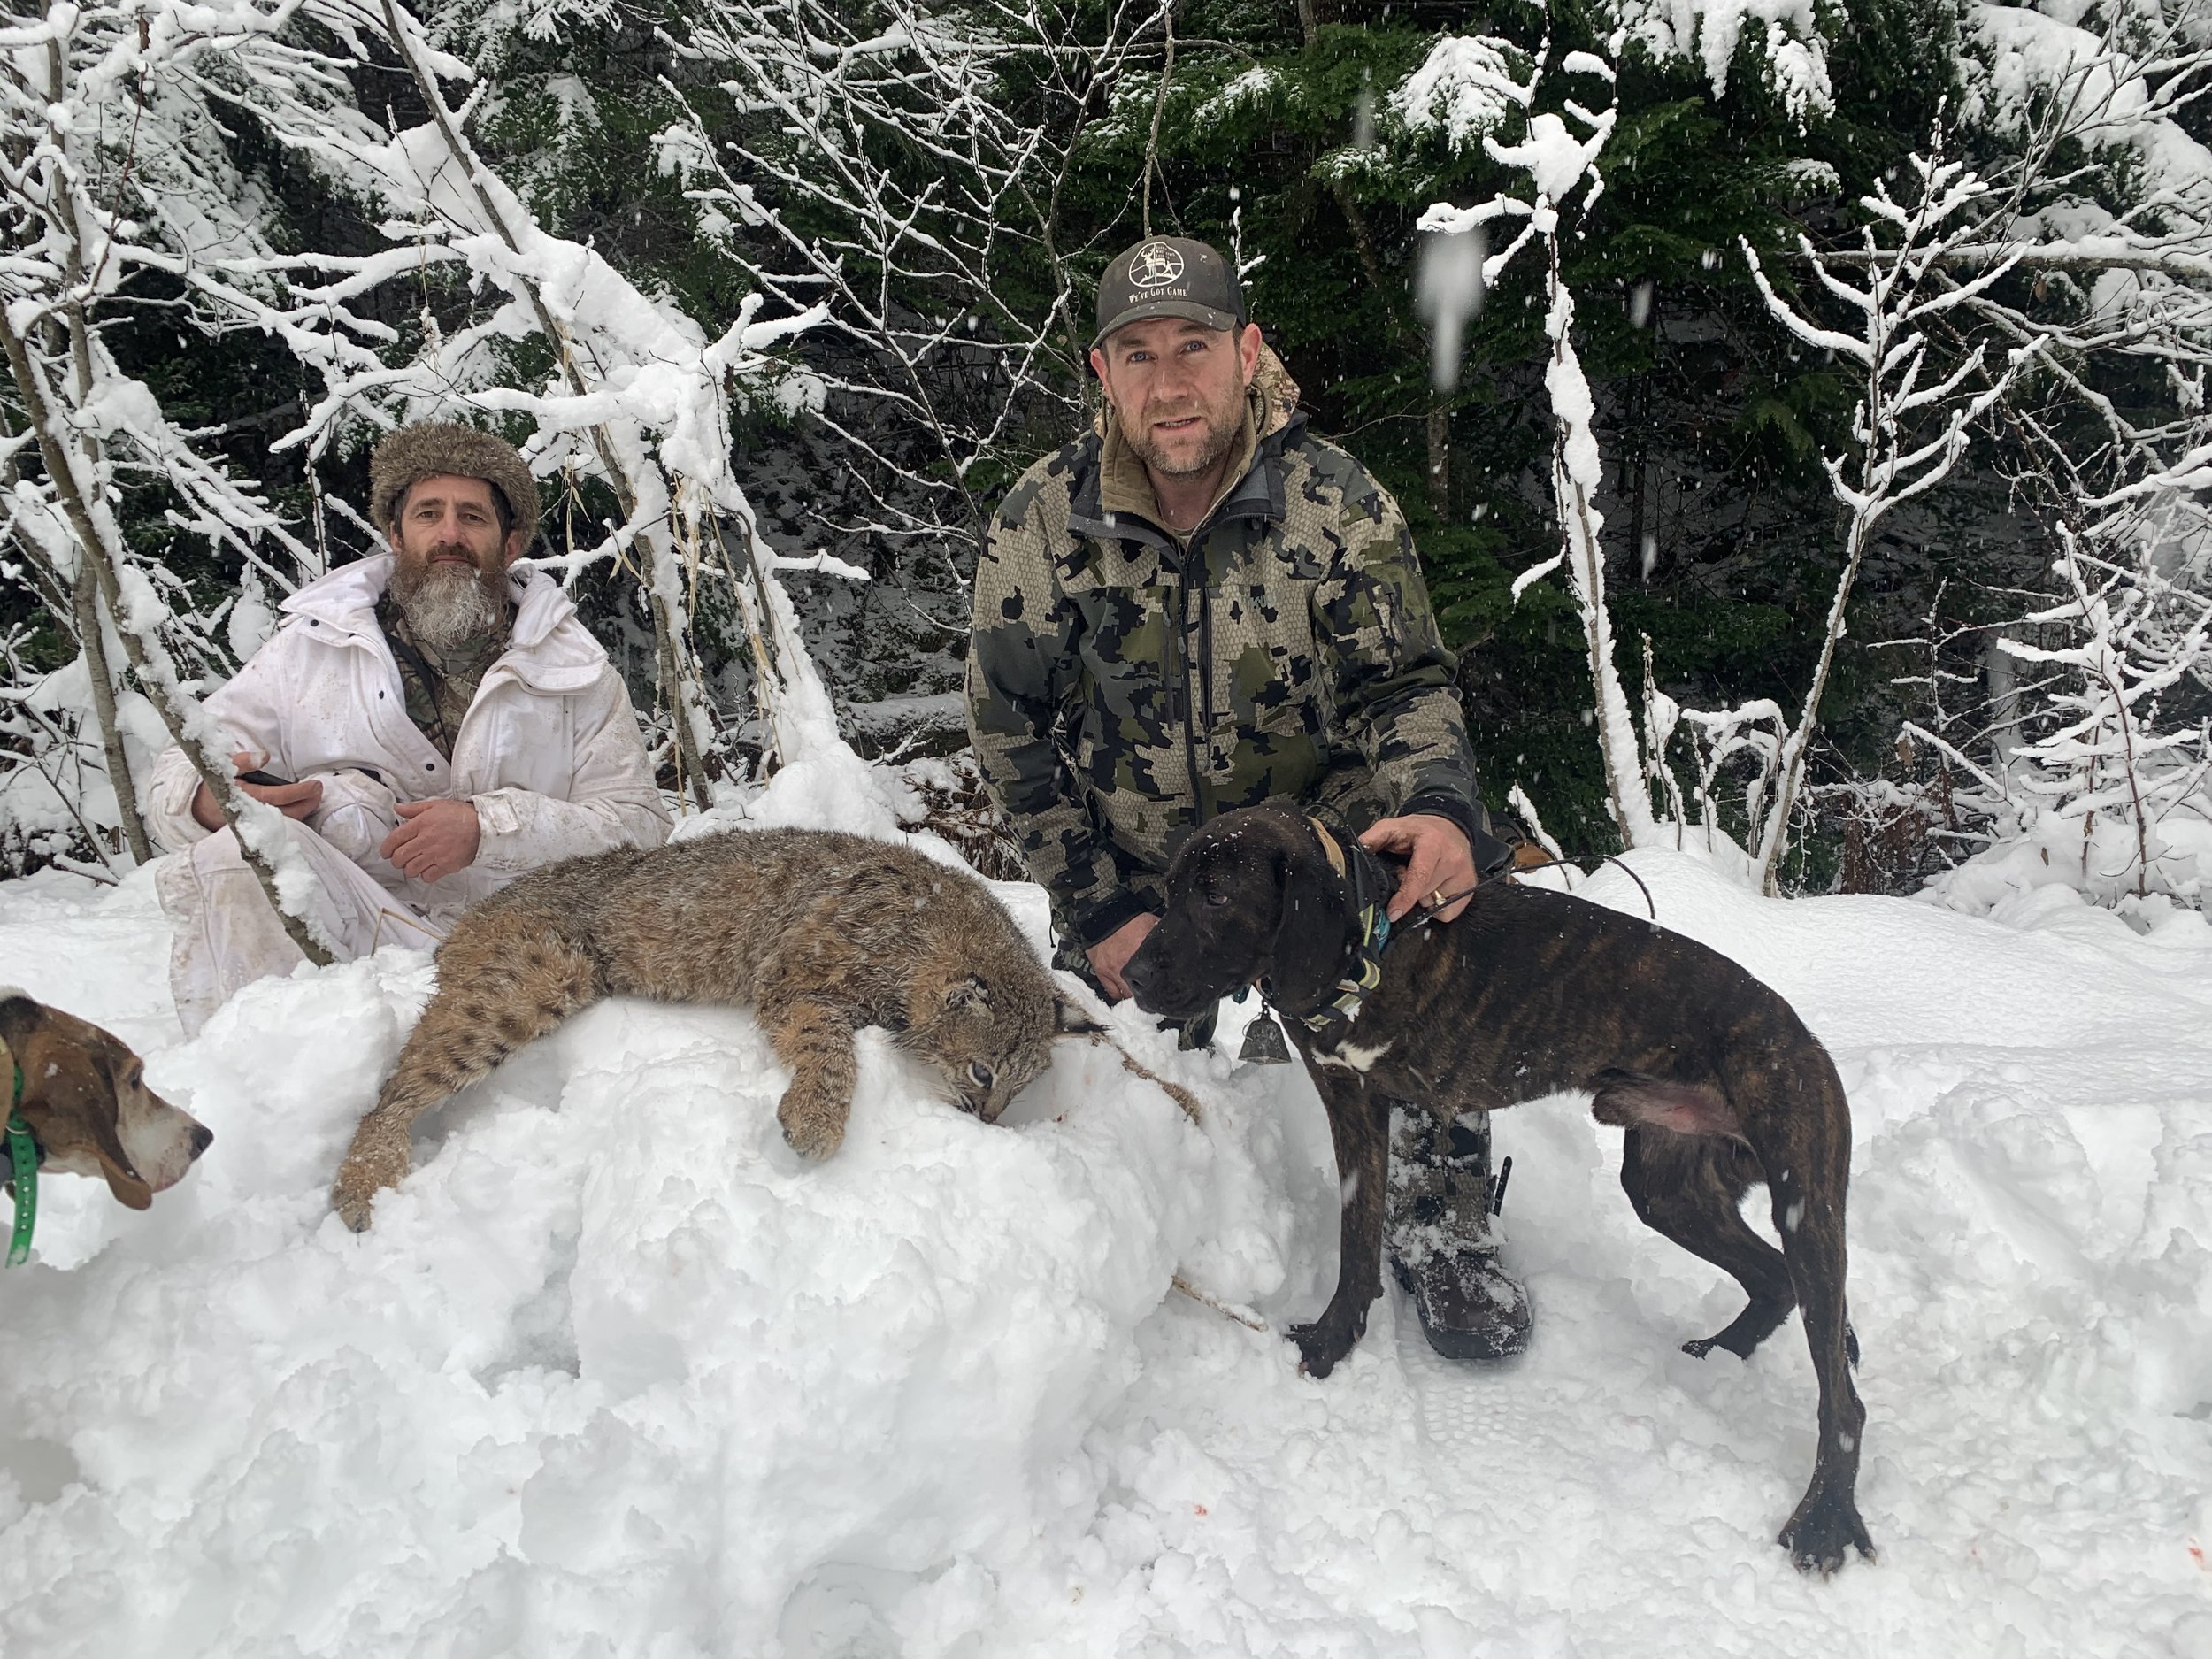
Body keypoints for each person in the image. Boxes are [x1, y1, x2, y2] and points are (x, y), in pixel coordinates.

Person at [964, 236, 1533, 1360]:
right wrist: (1097, 909)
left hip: (1323, 865)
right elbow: (1009, 731)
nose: (1170, 384)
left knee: (1430, 976)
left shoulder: (1333, 502)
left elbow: (1406, 683)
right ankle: (1124, 1240)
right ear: (1100, 372)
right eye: (1139, 355)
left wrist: (1436, 809)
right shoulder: (1040, 523)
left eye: (1195, 347)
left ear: (1247, 352)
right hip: (1146, 876)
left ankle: (1439, 1217)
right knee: (1080, 1090)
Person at [147, 423, 670, 1034]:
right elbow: (176, 772)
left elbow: (642, 829)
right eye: (429, 514)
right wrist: (208, 799)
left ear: (510, 545)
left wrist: (489, 828)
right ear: (396, 534)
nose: (450, 534)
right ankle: (261, 1094)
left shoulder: (577, 673)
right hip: (351, 931)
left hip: (520, 954)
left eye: (473, 516)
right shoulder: (308, 652)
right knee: (235, 856)